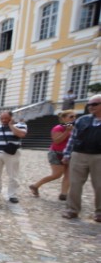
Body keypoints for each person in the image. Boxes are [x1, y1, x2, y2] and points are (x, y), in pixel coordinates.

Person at [61, 94, 101, 222]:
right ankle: (72, 209)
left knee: (99, 185)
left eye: (94, 104)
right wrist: (67, 154)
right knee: (75, 183)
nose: (91, 107)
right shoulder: (82, 120)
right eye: (89, 104)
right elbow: (73, 138)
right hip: (79, 154)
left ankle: (99, 212)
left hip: (99, 156)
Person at [28, 110, 75, 200]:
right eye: (71, 117)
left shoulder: (74, 128)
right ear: (64, 118)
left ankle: (63, 194)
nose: (73, 118)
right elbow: (57, 141)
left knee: (68, 175)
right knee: (57, 174)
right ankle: (35, 185)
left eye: (74, 117)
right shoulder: (58, 128)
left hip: (68, 153)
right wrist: (67, 131)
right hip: (56, 153)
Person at [0, 111, 28, 203]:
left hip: (11, 153)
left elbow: (21, 134)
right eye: (2, 118)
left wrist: (11, 125)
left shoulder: (20, 125)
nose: (4, 120)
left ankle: (12, 195)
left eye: (6, 118)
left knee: (13, 175)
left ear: (11, 118)